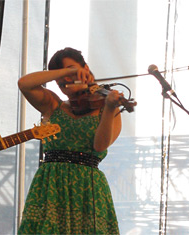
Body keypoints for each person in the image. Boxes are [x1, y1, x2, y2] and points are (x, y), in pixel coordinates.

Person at [17, 47, 121, 234]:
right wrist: (69, 72)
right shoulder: (53, 104)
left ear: (86, 68)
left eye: (75, 70)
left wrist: (110, 108)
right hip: (51, 185)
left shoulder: (108, 105)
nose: (68, 83)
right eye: (61, 84)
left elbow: (100, 145)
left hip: (87, 187)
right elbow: (24, 83)